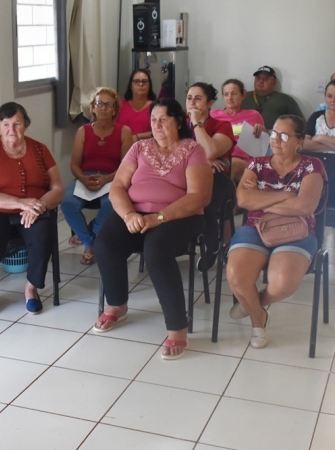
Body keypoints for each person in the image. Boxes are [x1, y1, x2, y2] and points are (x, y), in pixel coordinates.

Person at [93, 98, 212, 360]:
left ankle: (178, 328)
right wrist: (128, 215)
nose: (156, 126)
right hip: (135, 213)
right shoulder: (139, 147)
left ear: (178, 122)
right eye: (153, 120)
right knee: (104, 242)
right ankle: (117, 304)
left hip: (179, 216)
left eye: (163, 120)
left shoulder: (193, 150)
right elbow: (117, 187)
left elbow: (198, 197)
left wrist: (158, 218)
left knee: (156, 250)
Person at [226, 115, 326, 349]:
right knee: (237, 277)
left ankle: (253, 304)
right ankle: (258, 318)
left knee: (282, 283)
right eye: (273, 133)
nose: (276, 140)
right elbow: (243, 199)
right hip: (255, 227)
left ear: (299, 141)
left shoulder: (312, 166)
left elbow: (305, 207)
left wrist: (261, 201)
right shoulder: (257, 164)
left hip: (297, 229)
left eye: (284, 135)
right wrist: (287, 195)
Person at [0, 102, 64, 316]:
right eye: (5, 124)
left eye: (17, 124)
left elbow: (58, 188)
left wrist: (39, 205)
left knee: (43, 233)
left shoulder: (40, 150)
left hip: (34, 208)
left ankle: (31, 288)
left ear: (26, 125)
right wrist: (20, 203)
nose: (11, 130)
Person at [62, 87, 133, 264]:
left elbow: (127, 166)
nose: (103, 108)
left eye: (108, 105)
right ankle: (89, 243)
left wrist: (107, 179)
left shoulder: (124, 132)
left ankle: (91, 232)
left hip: (113, 177)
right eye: (99, 104)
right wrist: (83, 178)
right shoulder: (83, 131)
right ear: (93, 107)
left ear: (115, 109)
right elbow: (74, 164)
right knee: (66, 201)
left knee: (112, 203)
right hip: (85, 176)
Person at [186, 82, 236, 271]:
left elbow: (209, 151)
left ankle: (213, 247)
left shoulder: (222, 125)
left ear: (210, 104)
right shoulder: (178, 124)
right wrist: (203, 160)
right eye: (189, 98)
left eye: (198, 99)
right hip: (185, 176)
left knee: (202, 200)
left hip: (217, 180)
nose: (192, 103)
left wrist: (197, 123)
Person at [210, 78, 267, 185]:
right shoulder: (213, 115)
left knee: (233, 165)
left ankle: (227, 198)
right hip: (219, 158)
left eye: (234, 94)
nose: (229, 98)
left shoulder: (254, 115)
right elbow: (204, 139)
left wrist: (263, 132)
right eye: (226, 94)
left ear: (243, 95)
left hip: (244, 161)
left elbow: (264, 144)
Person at [116, 69, 155, 142]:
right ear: (131, 85)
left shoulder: (157, 107)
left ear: (149, 85)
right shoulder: (120, 106)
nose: (141, 84)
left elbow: (161, 131)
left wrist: (137, 137)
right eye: (137, 81)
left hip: (148, 148)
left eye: (144, 81)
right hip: (122, 148)